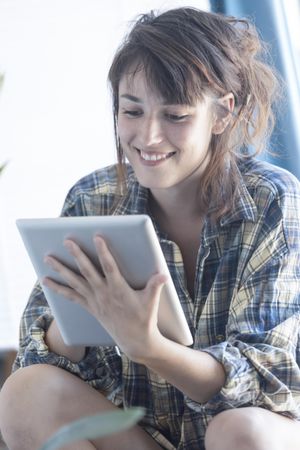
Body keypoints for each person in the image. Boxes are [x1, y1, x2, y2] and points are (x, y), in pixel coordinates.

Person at [1, 6, 300, 450]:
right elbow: (36, 357)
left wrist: (146, 344)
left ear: (222, 114)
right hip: (141, 437)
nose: (149, 136)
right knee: (23, 396)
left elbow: (263, 382)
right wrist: (82, 314)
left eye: (176, 116)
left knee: (241, 431)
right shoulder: (93, 199)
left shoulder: (272, 199)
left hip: (239, 435)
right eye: (132, 111)